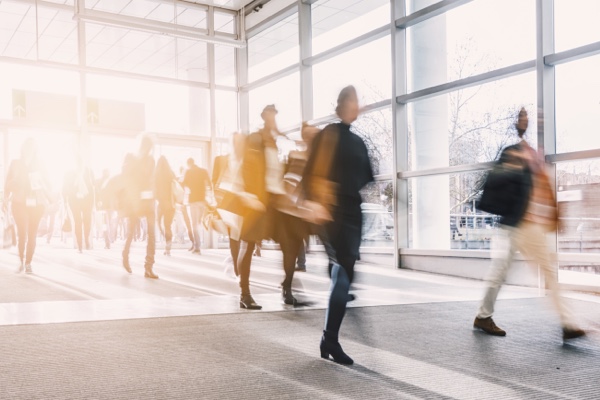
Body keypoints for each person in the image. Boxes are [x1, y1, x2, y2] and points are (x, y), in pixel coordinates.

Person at [473, 108, 585, 341]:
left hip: (530, 226)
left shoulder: (535, 156)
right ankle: (566, 322)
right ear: (517, 124)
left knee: (530, 271)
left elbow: (542, 193)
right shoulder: (513, 153)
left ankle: (566, 322)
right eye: (522, 118)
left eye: (529, 119)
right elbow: (494, 180)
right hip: (518, 224)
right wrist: (513, 168)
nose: (526, 122)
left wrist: (554, 218)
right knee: (507, 271)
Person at [304, 86, 374, 365]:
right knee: (343, 272)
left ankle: (328, 338)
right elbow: (312, 172)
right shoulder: (329, 134)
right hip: (331, 212)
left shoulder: (358, 141)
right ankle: (330, 339)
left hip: (352, 213)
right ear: (342, 104)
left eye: (359, 101)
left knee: (345, 273)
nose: (357, 106)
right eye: (353, 100)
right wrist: (317, 202)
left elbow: (365, 176)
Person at [236, 104, 285, 310]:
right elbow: (247, 167)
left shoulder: (273, 141)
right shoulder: (255, 139)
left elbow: (274, 171)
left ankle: (288, 286)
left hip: (272, 199)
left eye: (275, 116)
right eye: (271, 116)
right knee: (247, 246)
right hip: (255, 201)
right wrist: (249, 195)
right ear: (265, 117)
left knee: (287, 241)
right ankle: (244, 294)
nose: (274, 120)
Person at [3, 138, 52, 274]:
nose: (29, 149)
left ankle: (28, 262)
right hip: (19, 203)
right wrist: (6, 197)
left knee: (32, 235)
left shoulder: (40, 164)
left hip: (36, 204)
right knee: (22, 233)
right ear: (23, 149)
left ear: (35, 150)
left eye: (32, 147)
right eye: (27, 146)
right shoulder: (15, 163)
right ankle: (21, 260)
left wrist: (43, 185)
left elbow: (48, 183)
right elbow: (7, 182)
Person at [121, 134, 158, 279]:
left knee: (150, 234)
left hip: (146, 200)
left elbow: (151, 178)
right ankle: (127, 257)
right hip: (135, 200)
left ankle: (148, 267)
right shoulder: (131, 157)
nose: (148, 150)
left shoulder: (149, 160)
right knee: (133, 233)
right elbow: (126, 176)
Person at [212, 132, 247, 278]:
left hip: (243, 200)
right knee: (234, 236)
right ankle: (237, 266)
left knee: (241, 235)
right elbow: (214, 181)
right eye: (235, 141)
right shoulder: (221, 160)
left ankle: (237, 262)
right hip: (227, 201)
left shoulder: (247, 160)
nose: (237, 144)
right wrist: (215, 203)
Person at [63, 154, 95, 253]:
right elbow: (65, 187)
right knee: (78, 221)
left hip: (87, 199)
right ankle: (80, 245)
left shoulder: (88, 171)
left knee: (87, 221)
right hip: (74, 199)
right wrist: (65, 200)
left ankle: (86, 239)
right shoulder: (69, 173)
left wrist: (93, 201)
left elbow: (92, 186)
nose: (79, 165)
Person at [182, 158, 211, 255]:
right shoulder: (203, 171)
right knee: (199, 222)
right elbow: (209, 184)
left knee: (194, 224)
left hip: (193, 201)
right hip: (202, 200)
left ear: (188, 164)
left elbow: (183, 184)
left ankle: (197, 247)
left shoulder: (188, 172)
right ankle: (203, 242)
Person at [155, 156, 176, 256]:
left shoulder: (156, 175)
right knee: (168, 225)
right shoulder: (171, 173)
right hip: (171, 204)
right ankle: (168, 245)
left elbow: (154, 190)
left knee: (159, 223)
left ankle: (167, 241)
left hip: (161, 204)